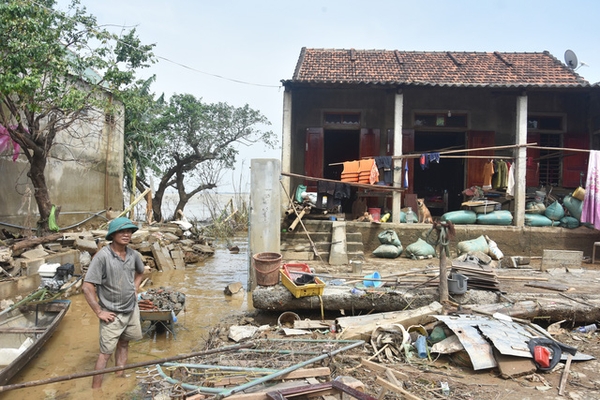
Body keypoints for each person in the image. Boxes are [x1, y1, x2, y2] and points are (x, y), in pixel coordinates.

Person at [82, 217, 145, 389]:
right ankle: (96, 391)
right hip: (111, 313)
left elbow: (141, 272)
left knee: (124, 343)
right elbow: (87, 286)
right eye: (122, 231)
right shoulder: (102, 257)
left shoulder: (133, 255)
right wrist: (98, 311)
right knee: (105, 354)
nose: (126, 235)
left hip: (131, 309)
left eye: (129, 231)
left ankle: (119, 378)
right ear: (113, 234)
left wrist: (135, 287)